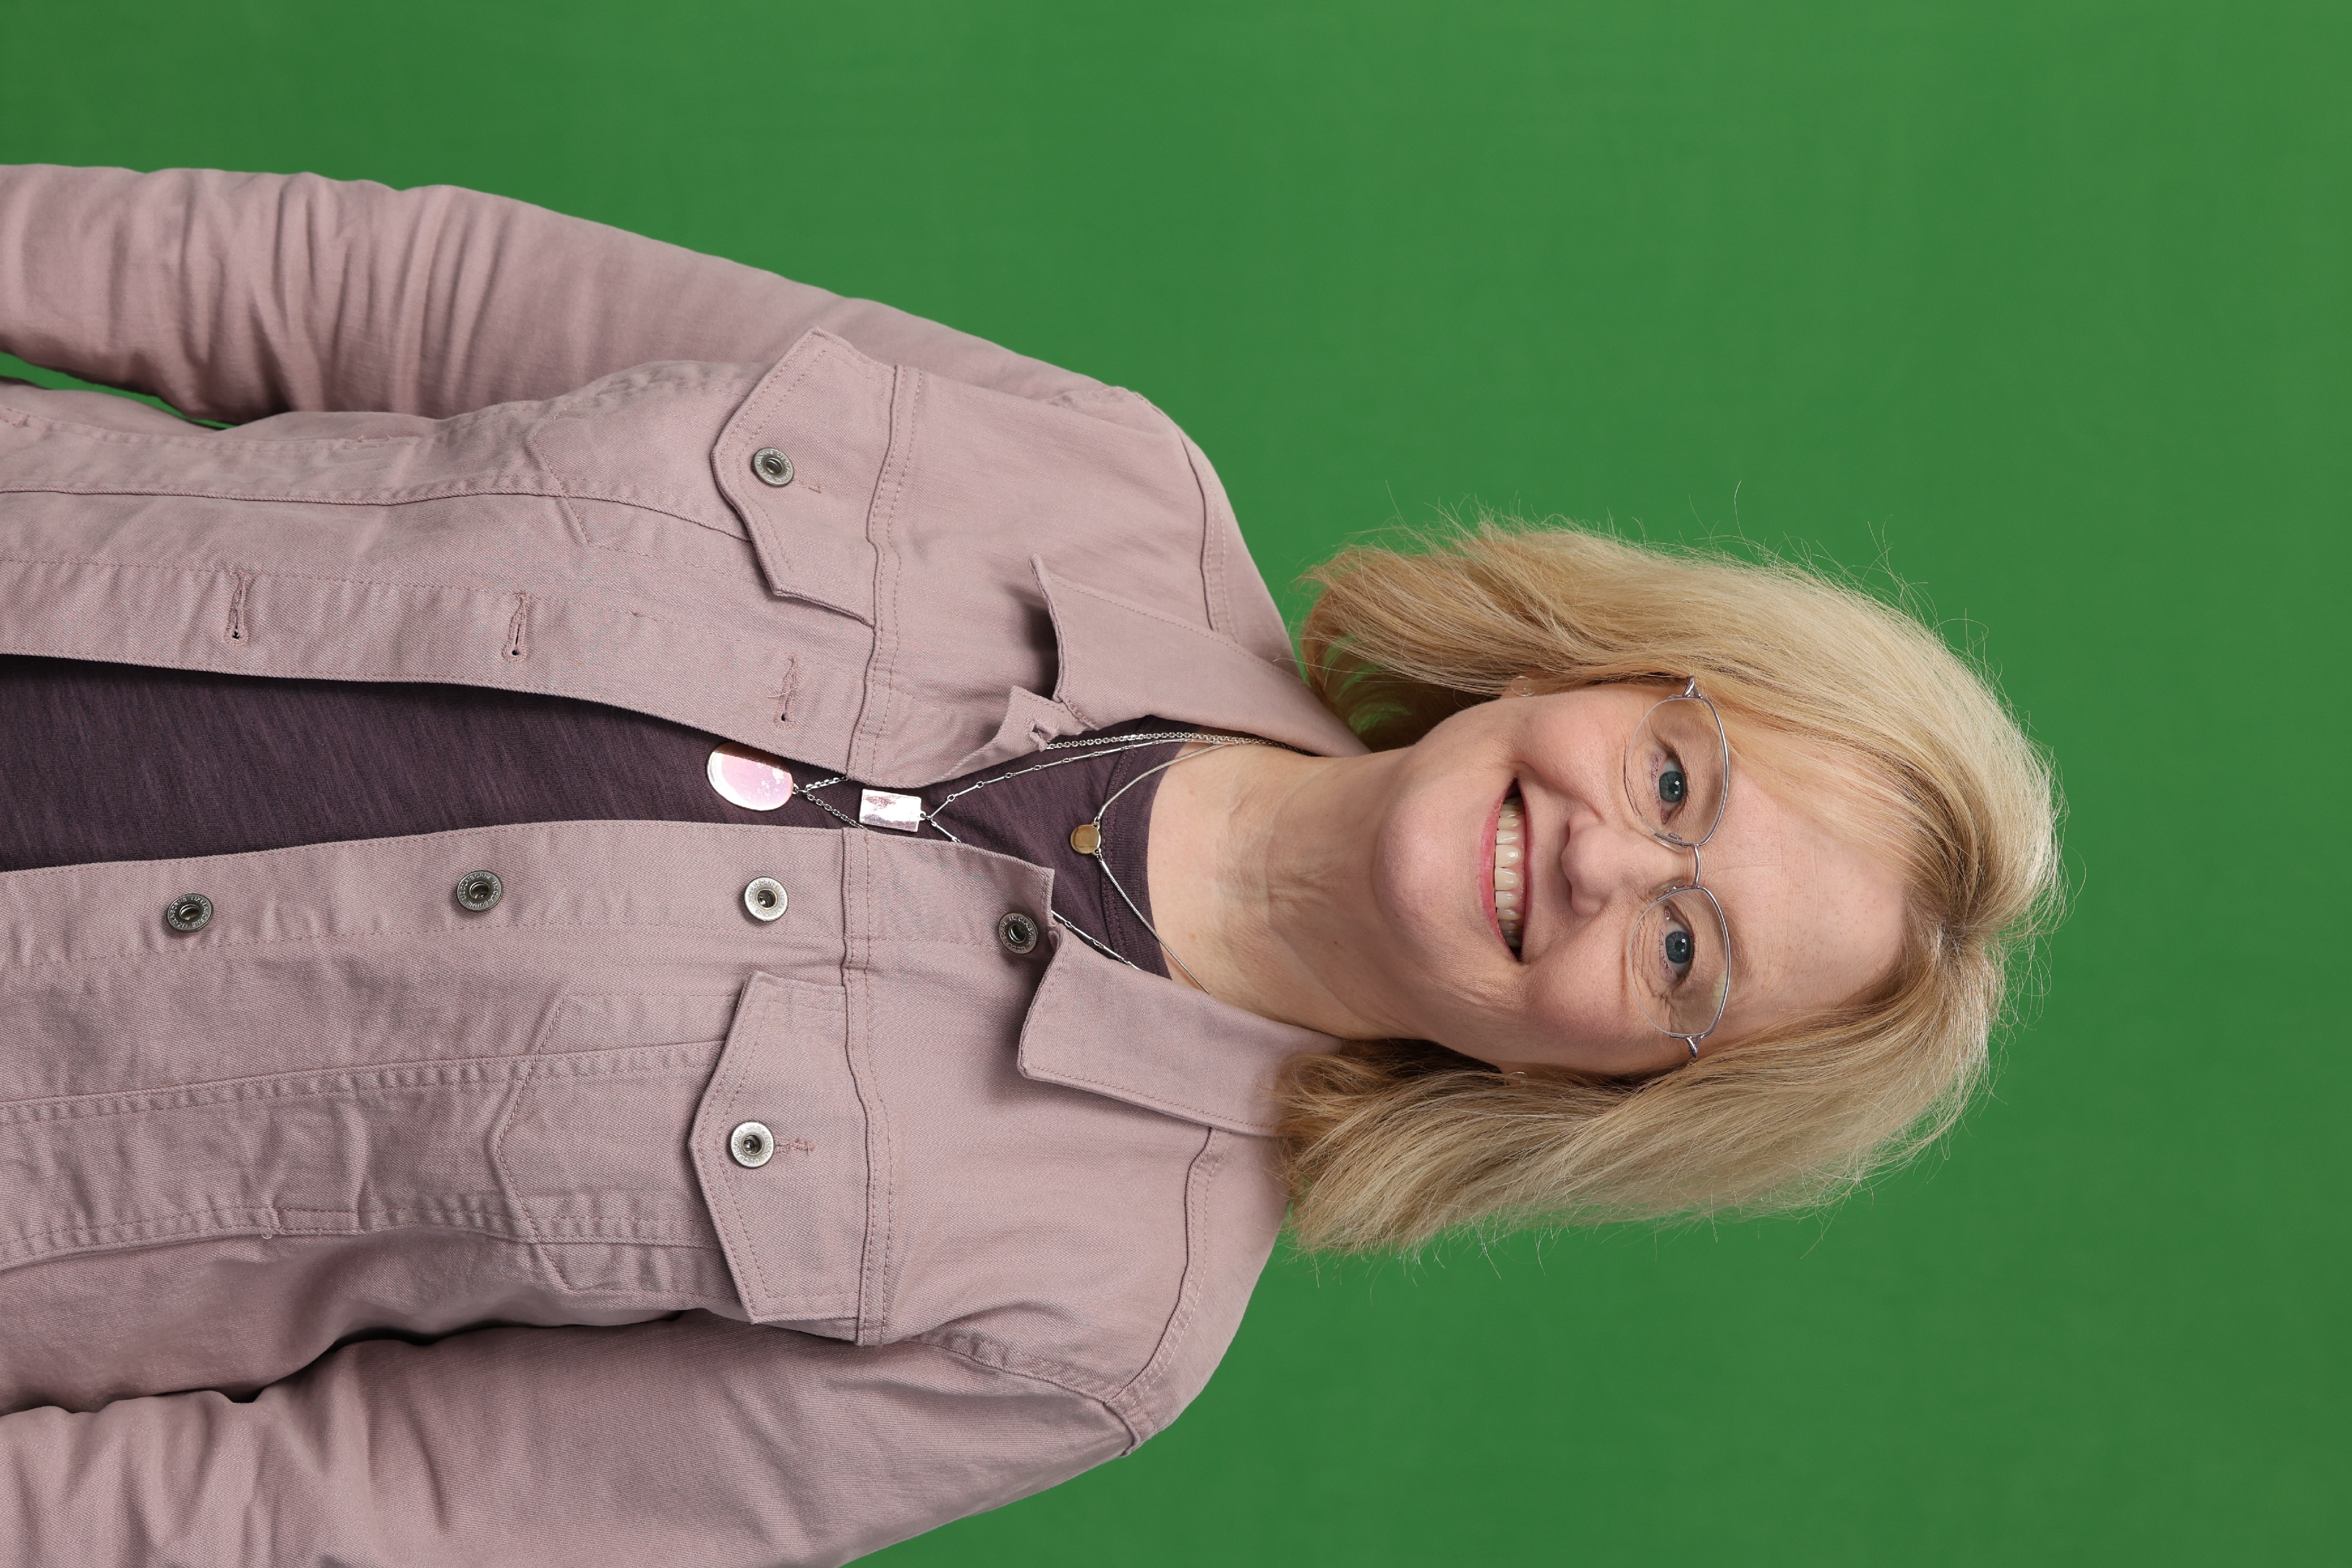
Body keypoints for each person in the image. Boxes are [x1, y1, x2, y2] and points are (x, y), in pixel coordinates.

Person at [0, 165, 2059, 1566]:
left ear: (1620, 1092)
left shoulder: (1080, 1328)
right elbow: (392, 291)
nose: (1608, 860)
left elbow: (344, 1518)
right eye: (1678, 777)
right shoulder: (1090, 469)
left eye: (1685, 955)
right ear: (1606, 668)